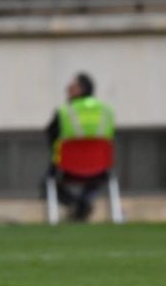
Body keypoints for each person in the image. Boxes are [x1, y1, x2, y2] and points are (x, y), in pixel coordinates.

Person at [45, 72, 115, 221]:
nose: (67, 89)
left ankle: (77, 205)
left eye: (72, 86)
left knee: (46, 183)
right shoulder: (106, 110)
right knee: (96, 180)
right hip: (100, 169)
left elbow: (51, 137)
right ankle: (82, 204)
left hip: (68, 168)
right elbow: (110, 137)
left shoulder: (65, 111)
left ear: (81, 89)